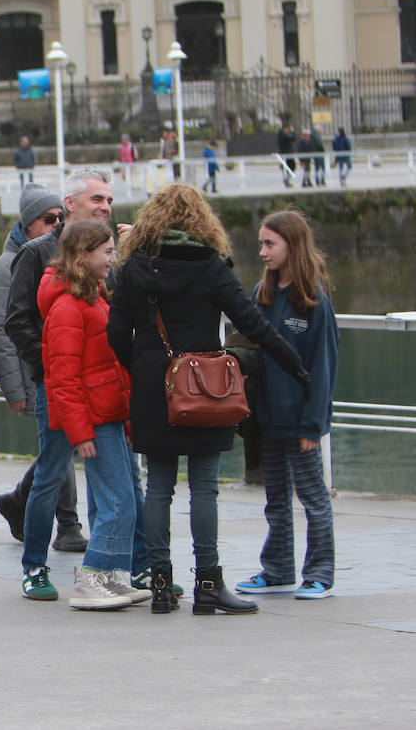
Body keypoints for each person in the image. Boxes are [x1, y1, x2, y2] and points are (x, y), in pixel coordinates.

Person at [108, 183, 309, 615]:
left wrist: (146, 368)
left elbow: (115, 335)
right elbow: (252, 324)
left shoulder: (131, 269)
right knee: (204, 488)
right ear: (202, 221)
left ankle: (161, 586)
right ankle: (208, 584)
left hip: (151, 388)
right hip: (205, 387)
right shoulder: (210, 267)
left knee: (158, 487)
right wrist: (294, 364)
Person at [5, 170, 116, 601]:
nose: (104, 205)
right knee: (51, 474)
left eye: (108, 198)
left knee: (117, 475)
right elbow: (17, 319)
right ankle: (34, 566)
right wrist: (47, 368)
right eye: (96, 198)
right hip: (59, 383)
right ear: (70, 204)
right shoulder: (37, 254)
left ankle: (118, 565)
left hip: (102, 387)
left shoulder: (109, 254)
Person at [40, 221, 149, 610]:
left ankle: (111, 576)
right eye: (106, 251)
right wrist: (80, 431)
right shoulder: (69, 307)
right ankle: (92, 577)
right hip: (95, 418)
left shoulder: (93, 299)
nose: (113, 258)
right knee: (117, 500)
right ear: (82, 255)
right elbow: (63, 376)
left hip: (108, 413)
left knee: (122, 499)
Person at [237, 210, 339, 601]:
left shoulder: (314, 299)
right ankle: (276, 569)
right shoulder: (261, 296)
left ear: (291, 246)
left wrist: (313, 425)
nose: (262, 251)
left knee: (313, 498)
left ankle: (319, 575)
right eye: (261, 243)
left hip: (300, 423)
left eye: (270, 244)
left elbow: (323, 365)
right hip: (267, 419)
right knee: (275, 499)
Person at [0, 185, 86, 552]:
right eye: (49, 219)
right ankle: (67, 524)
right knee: (61, 447)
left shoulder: (59, 255)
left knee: (61, 448)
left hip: (56, 366)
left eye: (60, 217)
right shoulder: (9, 265)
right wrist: (15, 387)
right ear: (29, 224)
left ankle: (19, 502)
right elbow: (1, 326)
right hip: (36, 369)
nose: (57, 224)